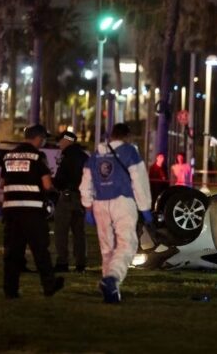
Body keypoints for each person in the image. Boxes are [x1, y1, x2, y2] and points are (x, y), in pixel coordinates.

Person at [80, 123, 152, 304]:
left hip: (100, 204)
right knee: (127, 244)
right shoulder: (130, 152)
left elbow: (86, 181)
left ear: (111, 136)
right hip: (123, 202)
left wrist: (87, 205)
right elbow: (139, 180)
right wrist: (145, 208)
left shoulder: (96, 154)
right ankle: (112, 278)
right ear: (126, 136)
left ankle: (110, 290)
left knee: (107, 249)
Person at [0, 124, 64, 298]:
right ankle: (49, 285)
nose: (43, 142)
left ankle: (10, 290)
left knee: (13, 252)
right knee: (40, 249)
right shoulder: (37, 156)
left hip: (11, 211)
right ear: (38, 138)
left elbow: (2, 183)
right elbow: (47, 184)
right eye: (43, 138)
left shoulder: (8, 155)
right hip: (32, 211)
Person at [53, 130, 89, 273]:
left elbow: (61, 179)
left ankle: (62, 262)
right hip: (81, 198)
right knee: (79, 232)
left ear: (67, 140)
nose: (59, 144)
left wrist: (56, 184)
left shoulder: (67, 156)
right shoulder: (84, 156)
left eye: (61, 141)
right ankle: (81, 263)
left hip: (67, 197)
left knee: (61, 231)